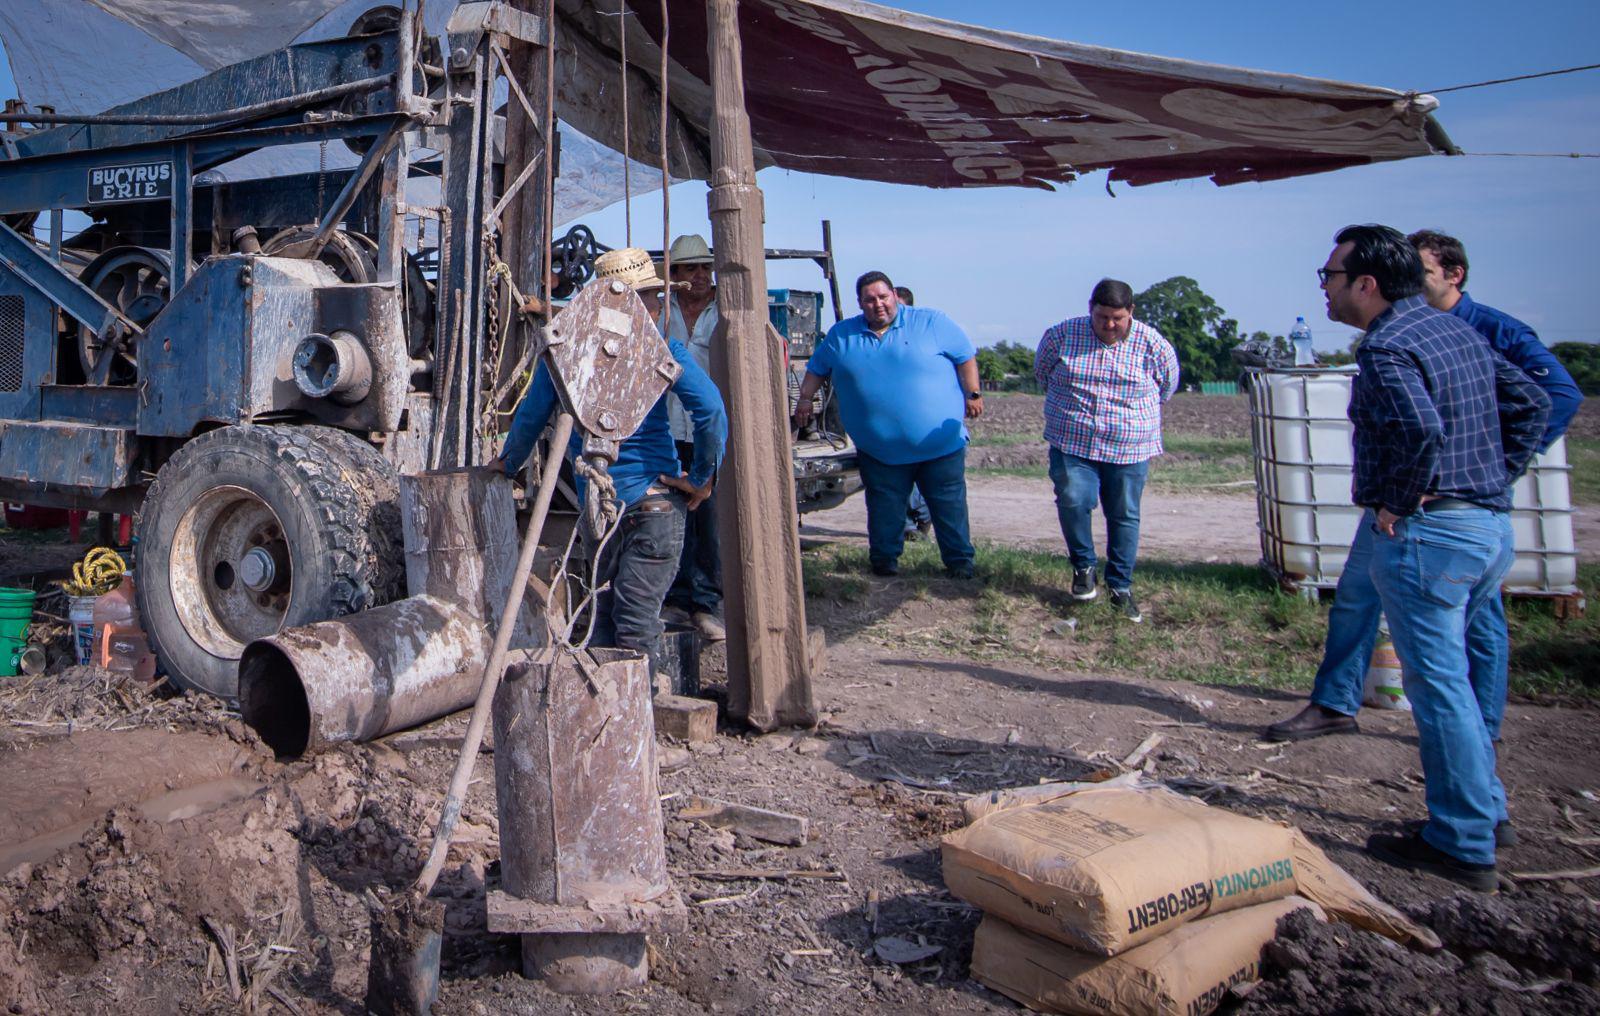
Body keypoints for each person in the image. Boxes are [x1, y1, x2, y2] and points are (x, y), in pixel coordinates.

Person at [1265, 231, 1583, 755]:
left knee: (1452, 662)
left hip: (1434, 513)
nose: (1411, 281)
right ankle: (1337, 702)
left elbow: (1543, 398)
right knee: (1357, 600)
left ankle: (1477, 750)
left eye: (1330, 276)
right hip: (1416, 507)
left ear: (1452, 275)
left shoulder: (1480, 329)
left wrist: (1488, 471)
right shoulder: (1416, 331)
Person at [1313, 224, 1548, 890]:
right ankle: (1487, 814)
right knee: (1458, 686)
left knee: (1439, 690)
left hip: (1429, 536)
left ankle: (1464, 843)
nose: (1325, 289)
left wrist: (1399, 498)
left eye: (1329, 276)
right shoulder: (1452, 330)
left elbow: (1420, 427)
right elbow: (1528, 401)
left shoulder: (1389, 345)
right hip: (1486, 529)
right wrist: (1492, 478)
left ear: (1365, 283)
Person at [488, 247, 728, 679]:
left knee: (601, 620)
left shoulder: (564, 353)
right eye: (652, 299)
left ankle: (622, 723)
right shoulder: (664, 348)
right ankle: (629, 725)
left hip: (600, 511)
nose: (657, 307)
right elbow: (711, 411)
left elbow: (529, 419)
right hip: (652, 505)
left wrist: (506, 466)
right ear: (636, 303)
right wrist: (700, 479)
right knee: (631, 626)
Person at [794, 271, 980, 578]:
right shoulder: (842, 335)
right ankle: (884, 561)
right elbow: (816, 369)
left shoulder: (931, 322)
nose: (878, 304)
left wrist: (972, 393)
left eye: (883, 297)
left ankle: (960, 563)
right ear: (860, 303)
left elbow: (965, 356)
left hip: (940, 446)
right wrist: (804, 400)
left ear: (894, 295)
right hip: (880, 452)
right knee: (884, 509)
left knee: (949, 507)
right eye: (870, 299)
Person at [1035, 279, 1179, 623]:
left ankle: (1120, 586)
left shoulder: (1153, 345)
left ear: (1131, 312)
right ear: (1090, 309)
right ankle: (1083, 566)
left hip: (1129, 446)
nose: (1110, 325)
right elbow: (1042, 374)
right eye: (1102, 317)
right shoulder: (1061, 336)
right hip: (1073, 441)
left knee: (1124, 514)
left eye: (1118, 318)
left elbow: (1167, 386)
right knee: (1073, 499)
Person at [658, 234, 727, 642]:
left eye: (704, 267)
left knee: (710, 520)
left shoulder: (727, 311)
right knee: (673, 515)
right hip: (668, 426)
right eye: (689, 269)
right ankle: (679, 599)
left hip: (709, 427)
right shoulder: (662, 313)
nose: (699, 276)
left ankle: (708, 603)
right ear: (675, 276)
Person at [895, 285, 933, 542]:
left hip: (922, 417)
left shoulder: (922, 336)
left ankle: (921, 516)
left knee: (922, 472)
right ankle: (910, 524)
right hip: (894, 419)